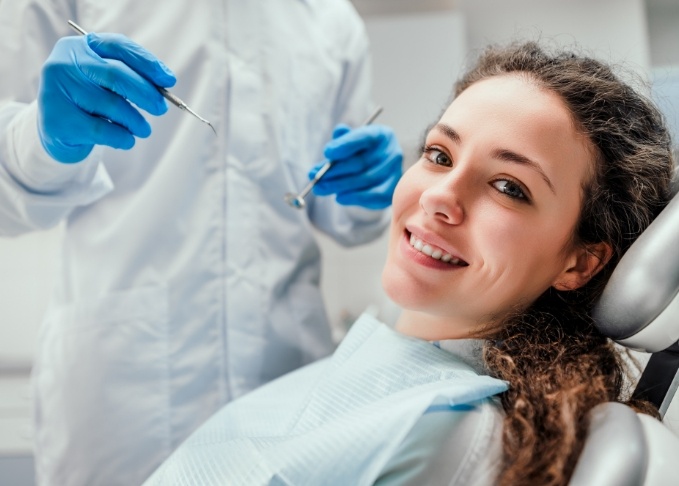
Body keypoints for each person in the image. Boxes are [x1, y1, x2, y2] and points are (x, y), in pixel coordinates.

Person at [141, 41, 675, 486]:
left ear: (580, 263)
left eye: (509, 187)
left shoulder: (440, 436)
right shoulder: (392, 384)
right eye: (440, 155)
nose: (440, 196)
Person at [0, 1, 403, 485]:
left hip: (287, 382)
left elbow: (338, 211)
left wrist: (367, 189)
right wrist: (44, 138)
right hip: (121, 406)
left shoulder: (333, 20)